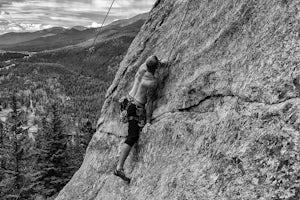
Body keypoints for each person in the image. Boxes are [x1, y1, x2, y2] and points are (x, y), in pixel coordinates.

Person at [114, 55, 163, 180]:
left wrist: (159, 62)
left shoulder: (142, 68)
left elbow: (151, 62)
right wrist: (148, 121)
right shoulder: (152, 82)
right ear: (156, 68)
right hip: (135, 107)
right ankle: (119, 168)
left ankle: (119, 165)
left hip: (127, 101)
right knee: (132, 137)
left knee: (132, 132)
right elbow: (149, 102)